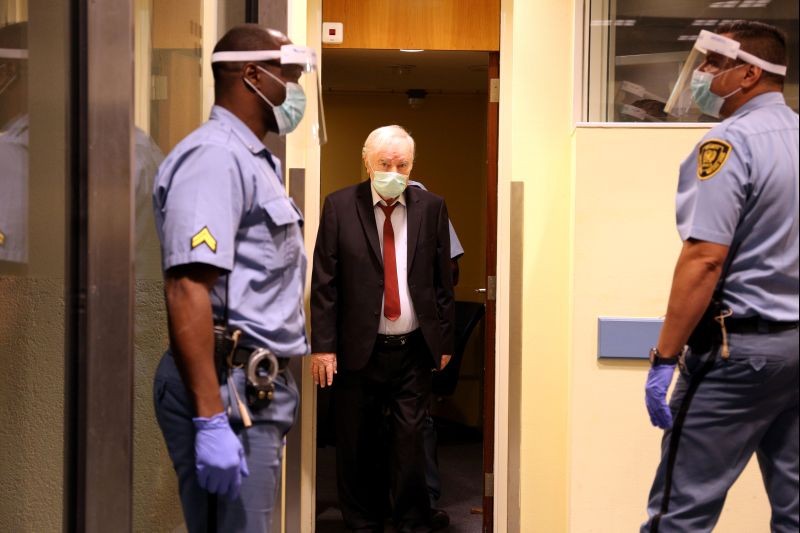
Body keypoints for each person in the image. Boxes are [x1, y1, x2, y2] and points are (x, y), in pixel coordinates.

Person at [152, 24, 322, 532]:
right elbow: (187, 287)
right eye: (289, 78)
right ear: (252, 75)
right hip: (229, 387)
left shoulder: (252, 160)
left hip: (252, 387)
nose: (294, 93)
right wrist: (209, 419)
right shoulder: (215, 158)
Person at [643, 20, 798, 532]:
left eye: (712, 64)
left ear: (750, 73)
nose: (701, 74)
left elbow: (705, 258)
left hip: (739, 358)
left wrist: (666, 355)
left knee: (680, 511)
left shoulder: (727, 145)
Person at [310, 125, 455, 532]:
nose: (394, 170)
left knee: (410, 444)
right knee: (358, 445)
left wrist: (443, 339)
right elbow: (325, 282)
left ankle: (412, 521)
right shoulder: (339, 206)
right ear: (367, 161)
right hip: (359, 350)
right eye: (385, 163)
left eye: (402, 164)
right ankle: (363, 523)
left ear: (412, 165)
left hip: (412, 350)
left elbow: (443, 280)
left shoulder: (432, 207)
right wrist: (323, 347)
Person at [407, 179, 463, 529]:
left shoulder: (428, 204)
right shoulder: (357, 207)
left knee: (420, 420)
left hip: (419, 332)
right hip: (375, 333)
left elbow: (452, 271)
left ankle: (424, 499)